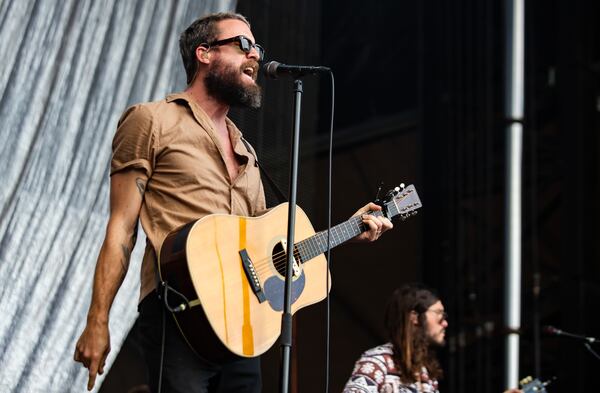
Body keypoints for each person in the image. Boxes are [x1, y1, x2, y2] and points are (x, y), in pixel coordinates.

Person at [73, 12, 392, 393]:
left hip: (242, 324)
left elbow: (268, 248)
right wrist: (98, 320)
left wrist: (347, 230)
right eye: (243, 45)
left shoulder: (247, 150)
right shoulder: (151, 120)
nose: (255, 55)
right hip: (180, 312)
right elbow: (120, 229)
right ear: (204, 54)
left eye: (257, 47)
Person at [343, 284, 522, 393]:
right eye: (439, 314)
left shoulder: (425, 375)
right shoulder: (377, 361)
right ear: (414, 317)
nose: (445, 323)